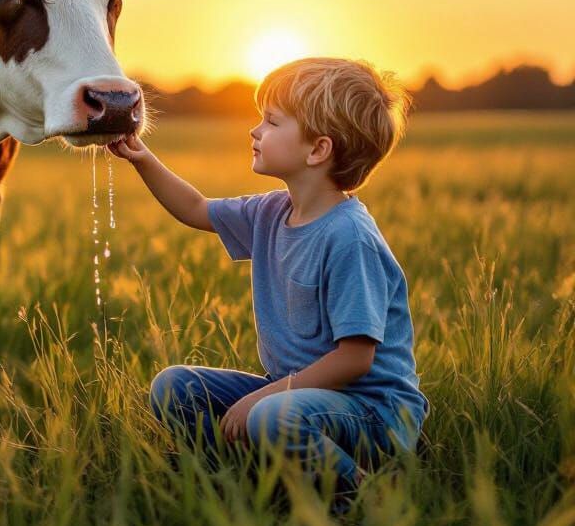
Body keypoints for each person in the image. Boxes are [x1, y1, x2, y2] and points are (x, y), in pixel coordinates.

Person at [108, 57, 428, 501]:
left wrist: (262, 398)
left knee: (271, 416)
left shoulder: (349, 237)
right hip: (297, 399)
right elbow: (196, 209)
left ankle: (363, 495)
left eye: (272, 121)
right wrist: (141, 158)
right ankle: (238, 480)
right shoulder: (272, 212)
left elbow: (355, 360)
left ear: (318, 150)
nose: (254, 130)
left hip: (374, 414)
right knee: (174, 387)